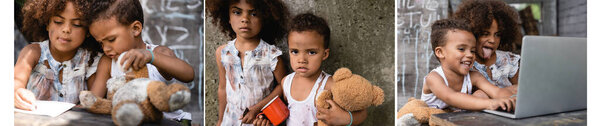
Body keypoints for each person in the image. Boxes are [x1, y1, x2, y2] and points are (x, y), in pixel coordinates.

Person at [85, 0, 195, 122]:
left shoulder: (159, 54)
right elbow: (94, 99)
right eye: (101, 43)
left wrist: (151, 57)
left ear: (136, 29)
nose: (106, 49)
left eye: (111, 39)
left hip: (168, 122)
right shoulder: (107, 62)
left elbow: (189, 74)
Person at [207, 0, 289, 125]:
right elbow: (223, 88)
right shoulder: (223, 53)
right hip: (230, 120)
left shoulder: (271, 55)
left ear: (265, 18)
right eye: (237, 12)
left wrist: (258, 108)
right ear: (227, 17)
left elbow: (284, 86)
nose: (245, 19)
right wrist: (220, 119)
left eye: (254, 14)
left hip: (260, 120)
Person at [14, 0, 103, 111]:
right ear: (47, 24)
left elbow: (93, 102)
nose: (66, 29)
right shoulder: (32, 53)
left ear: (89, 30)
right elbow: (15, 82)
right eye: (58, 21)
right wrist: (17, 92)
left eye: (77, 24)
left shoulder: (90, 60)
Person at [421, 19, 516, 112]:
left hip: (459, 119)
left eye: (472, 51)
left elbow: (497, 92)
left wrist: (512, 99)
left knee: (481, 94)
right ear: (440, 52)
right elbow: (450, 97)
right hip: (434, 121)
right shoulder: (433, 78)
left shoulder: (474, 76)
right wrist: (490, 103)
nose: (470, 55)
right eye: (462, 49)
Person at [453, 0, 522, 98]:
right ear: (472, 33)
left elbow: (522, 89)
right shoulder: (466, 62)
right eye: (485, 34)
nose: (492, 40)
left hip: (508, 109)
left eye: (497, 35)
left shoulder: (508, 61)